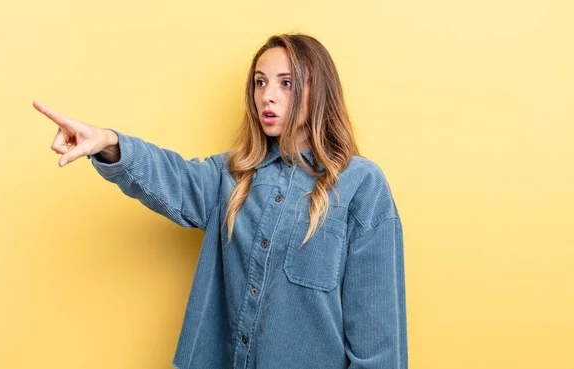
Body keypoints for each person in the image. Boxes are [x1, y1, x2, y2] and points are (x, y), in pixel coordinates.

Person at [33, 33, 407, 369]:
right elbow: (172, 176)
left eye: (286, 83)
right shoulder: (233, 175)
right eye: (260, 83)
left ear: (318, 91)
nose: (267, 95)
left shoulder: (362, 186)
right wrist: (109, 142)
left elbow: (378, 345)